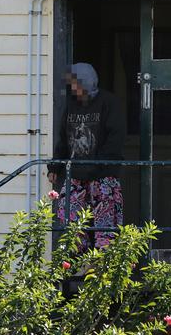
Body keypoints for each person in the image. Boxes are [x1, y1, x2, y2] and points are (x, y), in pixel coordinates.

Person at [48, 63, 126, 249]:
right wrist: (55, 166)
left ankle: (102, 268)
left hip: (103, 176)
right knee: (72, 224)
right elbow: (64, 137)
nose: (74, 88)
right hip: (75, 175)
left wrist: (99, 165)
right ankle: (77, 265)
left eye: (77, 83)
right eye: (72, 84)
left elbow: (115, 138)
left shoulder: (109, 103)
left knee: (105, 225)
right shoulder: (71, 105)